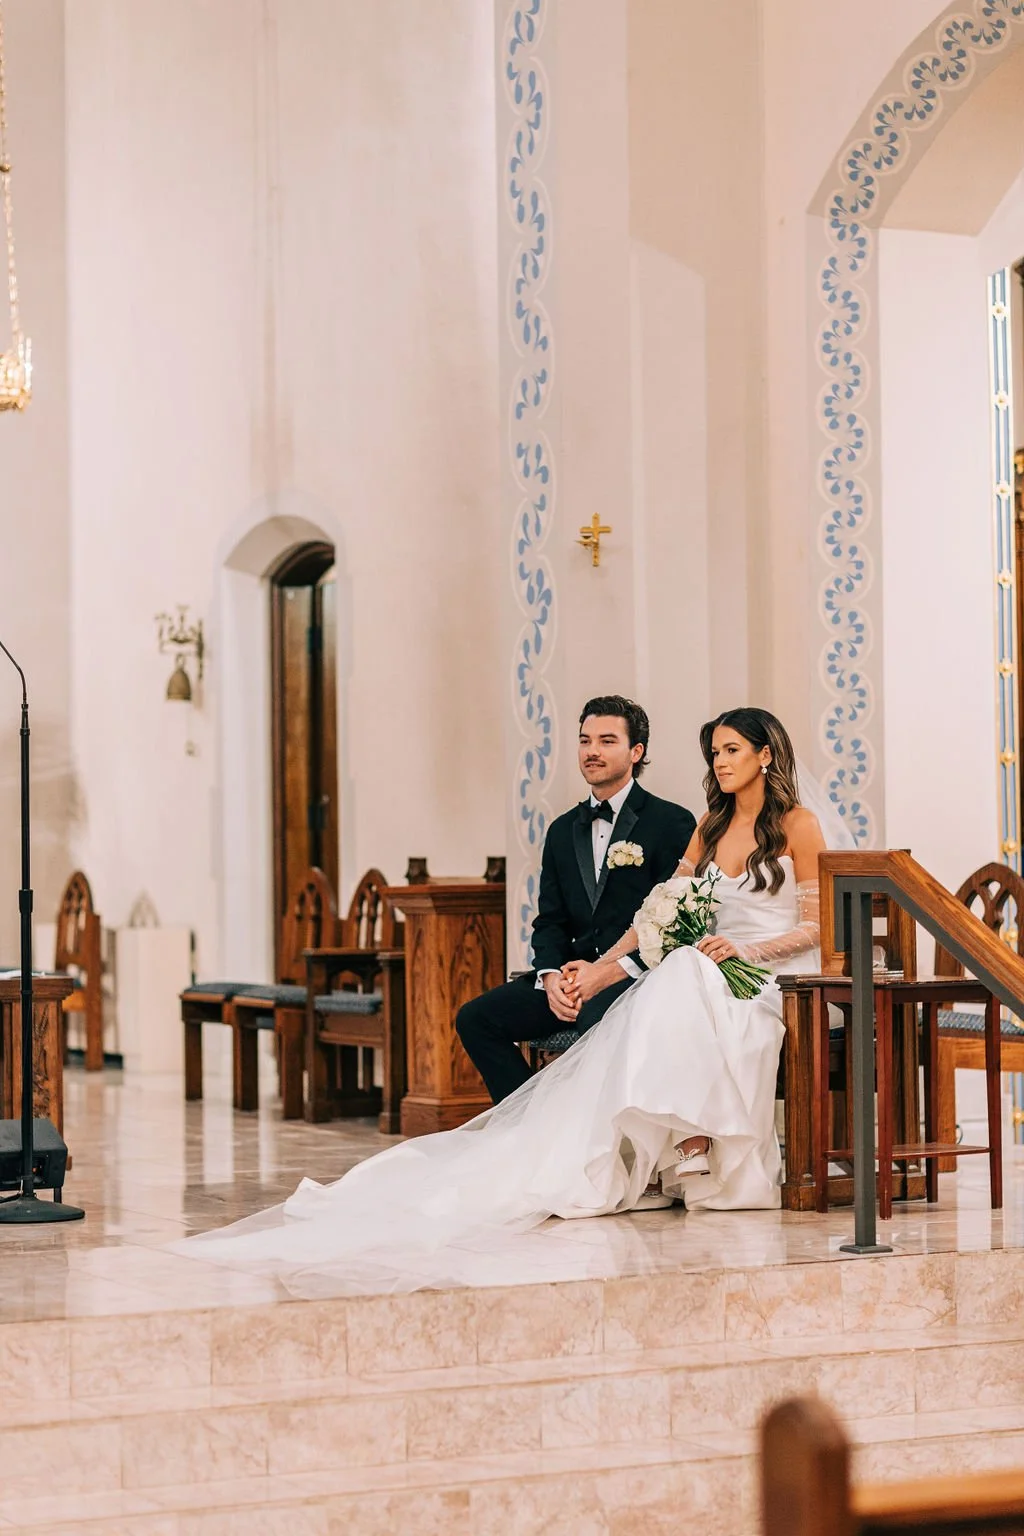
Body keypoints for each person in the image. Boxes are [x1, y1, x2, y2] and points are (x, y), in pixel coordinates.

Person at [175, 707, 828, 1297]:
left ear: (766, 754)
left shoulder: (796, 825)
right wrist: (584, 971)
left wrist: (744, 954)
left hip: (767, 976)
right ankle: (604, 1141)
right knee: (576, 995)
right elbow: (657, 916)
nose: (720, 762)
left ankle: (675, 1149)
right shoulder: (708, 829)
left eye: (732, 749)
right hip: (682, 967)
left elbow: (818, 926)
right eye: (714, 751)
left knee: (679, 975)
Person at [456, 694, 696, 1104]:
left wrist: (605, 972)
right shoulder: (562, 829)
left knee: (596, 1023)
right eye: (585, 741)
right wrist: (550, 976)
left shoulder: (671, 822)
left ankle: (587, 1141)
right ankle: (530, 1121)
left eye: (606, 741)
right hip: (570, 977)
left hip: (633, 978)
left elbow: (676, 923)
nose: (592, 752)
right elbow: (549, 920)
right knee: (476, 1019)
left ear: (636, 751)